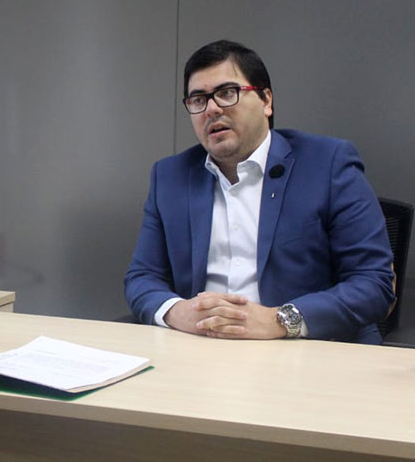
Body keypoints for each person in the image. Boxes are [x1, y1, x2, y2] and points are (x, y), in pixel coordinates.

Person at [124, 40, 395, 344]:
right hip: (201, 350)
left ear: (266, 100)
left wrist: (281, 320)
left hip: (306, 350)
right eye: (198, 100)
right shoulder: (170, 176)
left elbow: (374, 284)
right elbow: (142, 278)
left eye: (227, 93)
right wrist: (177, 312)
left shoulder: (327, 164)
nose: (211, 109)